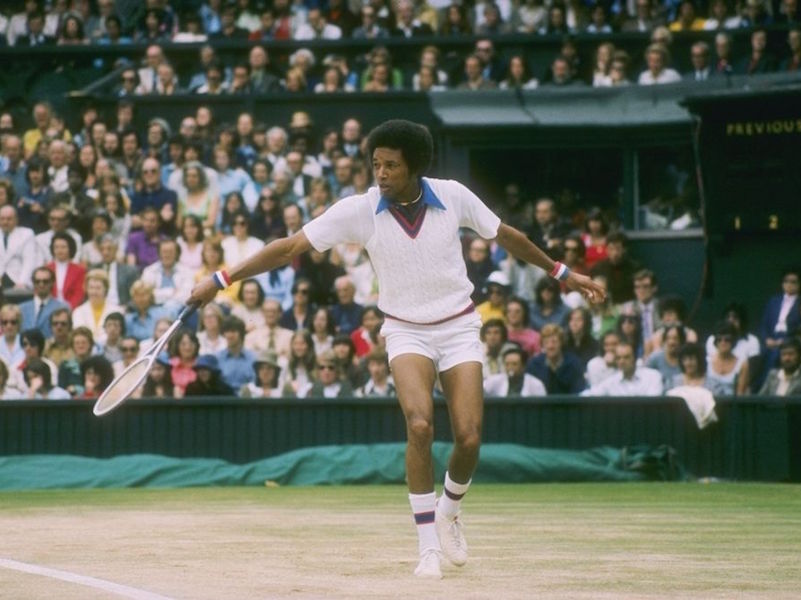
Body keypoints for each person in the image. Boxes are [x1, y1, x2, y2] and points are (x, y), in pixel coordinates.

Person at [188, 119, 603, 579]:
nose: (380, 174)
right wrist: (221, 280)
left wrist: (565, 273)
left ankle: (449, 512)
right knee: (420, 425)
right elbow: (288, 248)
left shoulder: (454, 195)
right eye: (375, 165)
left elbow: (507, 235)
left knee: (468, 437)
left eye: (391, 166)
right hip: (405, 331)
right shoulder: (359, 210)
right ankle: (427, 546)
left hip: (459, 325)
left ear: (414, 168)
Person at [583, 341, 663, 396]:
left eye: (626, 357)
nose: (622, 361)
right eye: (618, 358)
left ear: (635, 359)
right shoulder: (611, 382)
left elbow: (653, 403)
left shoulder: (653, 376)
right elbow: (590, 394)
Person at [526, 324, 586, 395]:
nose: (550, 346)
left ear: (561, 343)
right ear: (543, 345)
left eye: (554, 342)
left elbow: (579, 392)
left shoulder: (574, 364)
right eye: (546, 342)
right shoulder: (534, 364)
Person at [19, 267, 69, 338]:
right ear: (33, 283)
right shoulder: (21, 309)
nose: (41, 284)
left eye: (45, 281)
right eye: (37, 281)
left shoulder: (62, 307)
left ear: (52, 283)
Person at [707, 322, 750, 396]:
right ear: (715, 342)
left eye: (727, 339)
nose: (723, 343)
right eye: (719, 339)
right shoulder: (707, 362)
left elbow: (740, 394)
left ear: (733, 341)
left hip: (732, 405)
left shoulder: (742, 364)